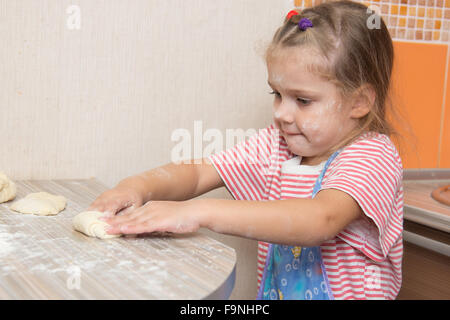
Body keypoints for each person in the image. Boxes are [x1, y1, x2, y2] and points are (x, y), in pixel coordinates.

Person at [89, 1, 404, 300]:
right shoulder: (278, 145)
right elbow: (199, 172)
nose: (281, 113)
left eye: (302, 100)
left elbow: (319, 220)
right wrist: (136, 186)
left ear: (359, 102)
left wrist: (197, 212)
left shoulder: (372, 156)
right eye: (277, 94)